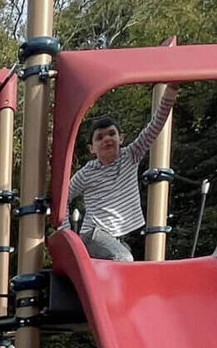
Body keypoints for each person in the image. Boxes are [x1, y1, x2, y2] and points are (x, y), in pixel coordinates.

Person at [68, 85, 178, 262]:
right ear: (91, 148)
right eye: (100, 137)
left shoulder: (131, 155)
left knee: (127, 263)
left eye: (112, 134)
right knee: (123, 257)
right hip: (93, 233)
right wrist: (67, 232)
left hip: (116, 236)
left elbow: (155, 125)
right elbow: (63, 197)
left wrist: (172, 90)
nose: (107, 139)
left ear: (121, 138)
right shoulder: (87, 173)